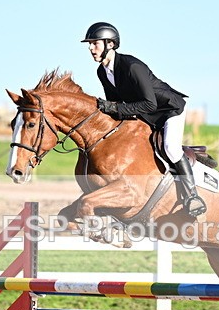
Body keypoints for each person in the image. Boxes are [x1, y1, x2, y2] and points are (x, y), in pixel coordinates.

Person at [82, 22, 207, 217]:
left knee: (171, 149)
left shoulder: (132, 67)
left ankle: (193, 197)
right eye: (89, 44)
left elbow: (150, 104)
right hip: (144, 114)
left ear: (110, 44)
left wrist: (115, 107)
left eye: (94, 43)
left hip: (168, 110)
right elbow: (116, 105)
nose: (90, 48)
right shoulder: (102, 72)